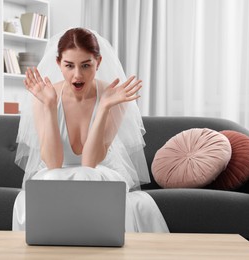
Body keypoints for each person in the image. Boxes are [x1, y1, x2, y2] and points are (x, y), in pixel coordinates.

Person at [13, 28, 169, 232]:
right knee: (48, 181)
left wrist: (104, 107)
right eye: (69, 66)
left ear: (98, 63)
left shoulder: (113, 96)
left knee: (87, 177)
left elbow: (90, 163)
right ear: (59, 64)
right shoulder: (45, 96)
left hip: (100, 174)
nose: (77, 75)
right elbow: (52, 163)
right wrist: (51, 106)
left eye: (86, 65)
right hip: (57, 174)